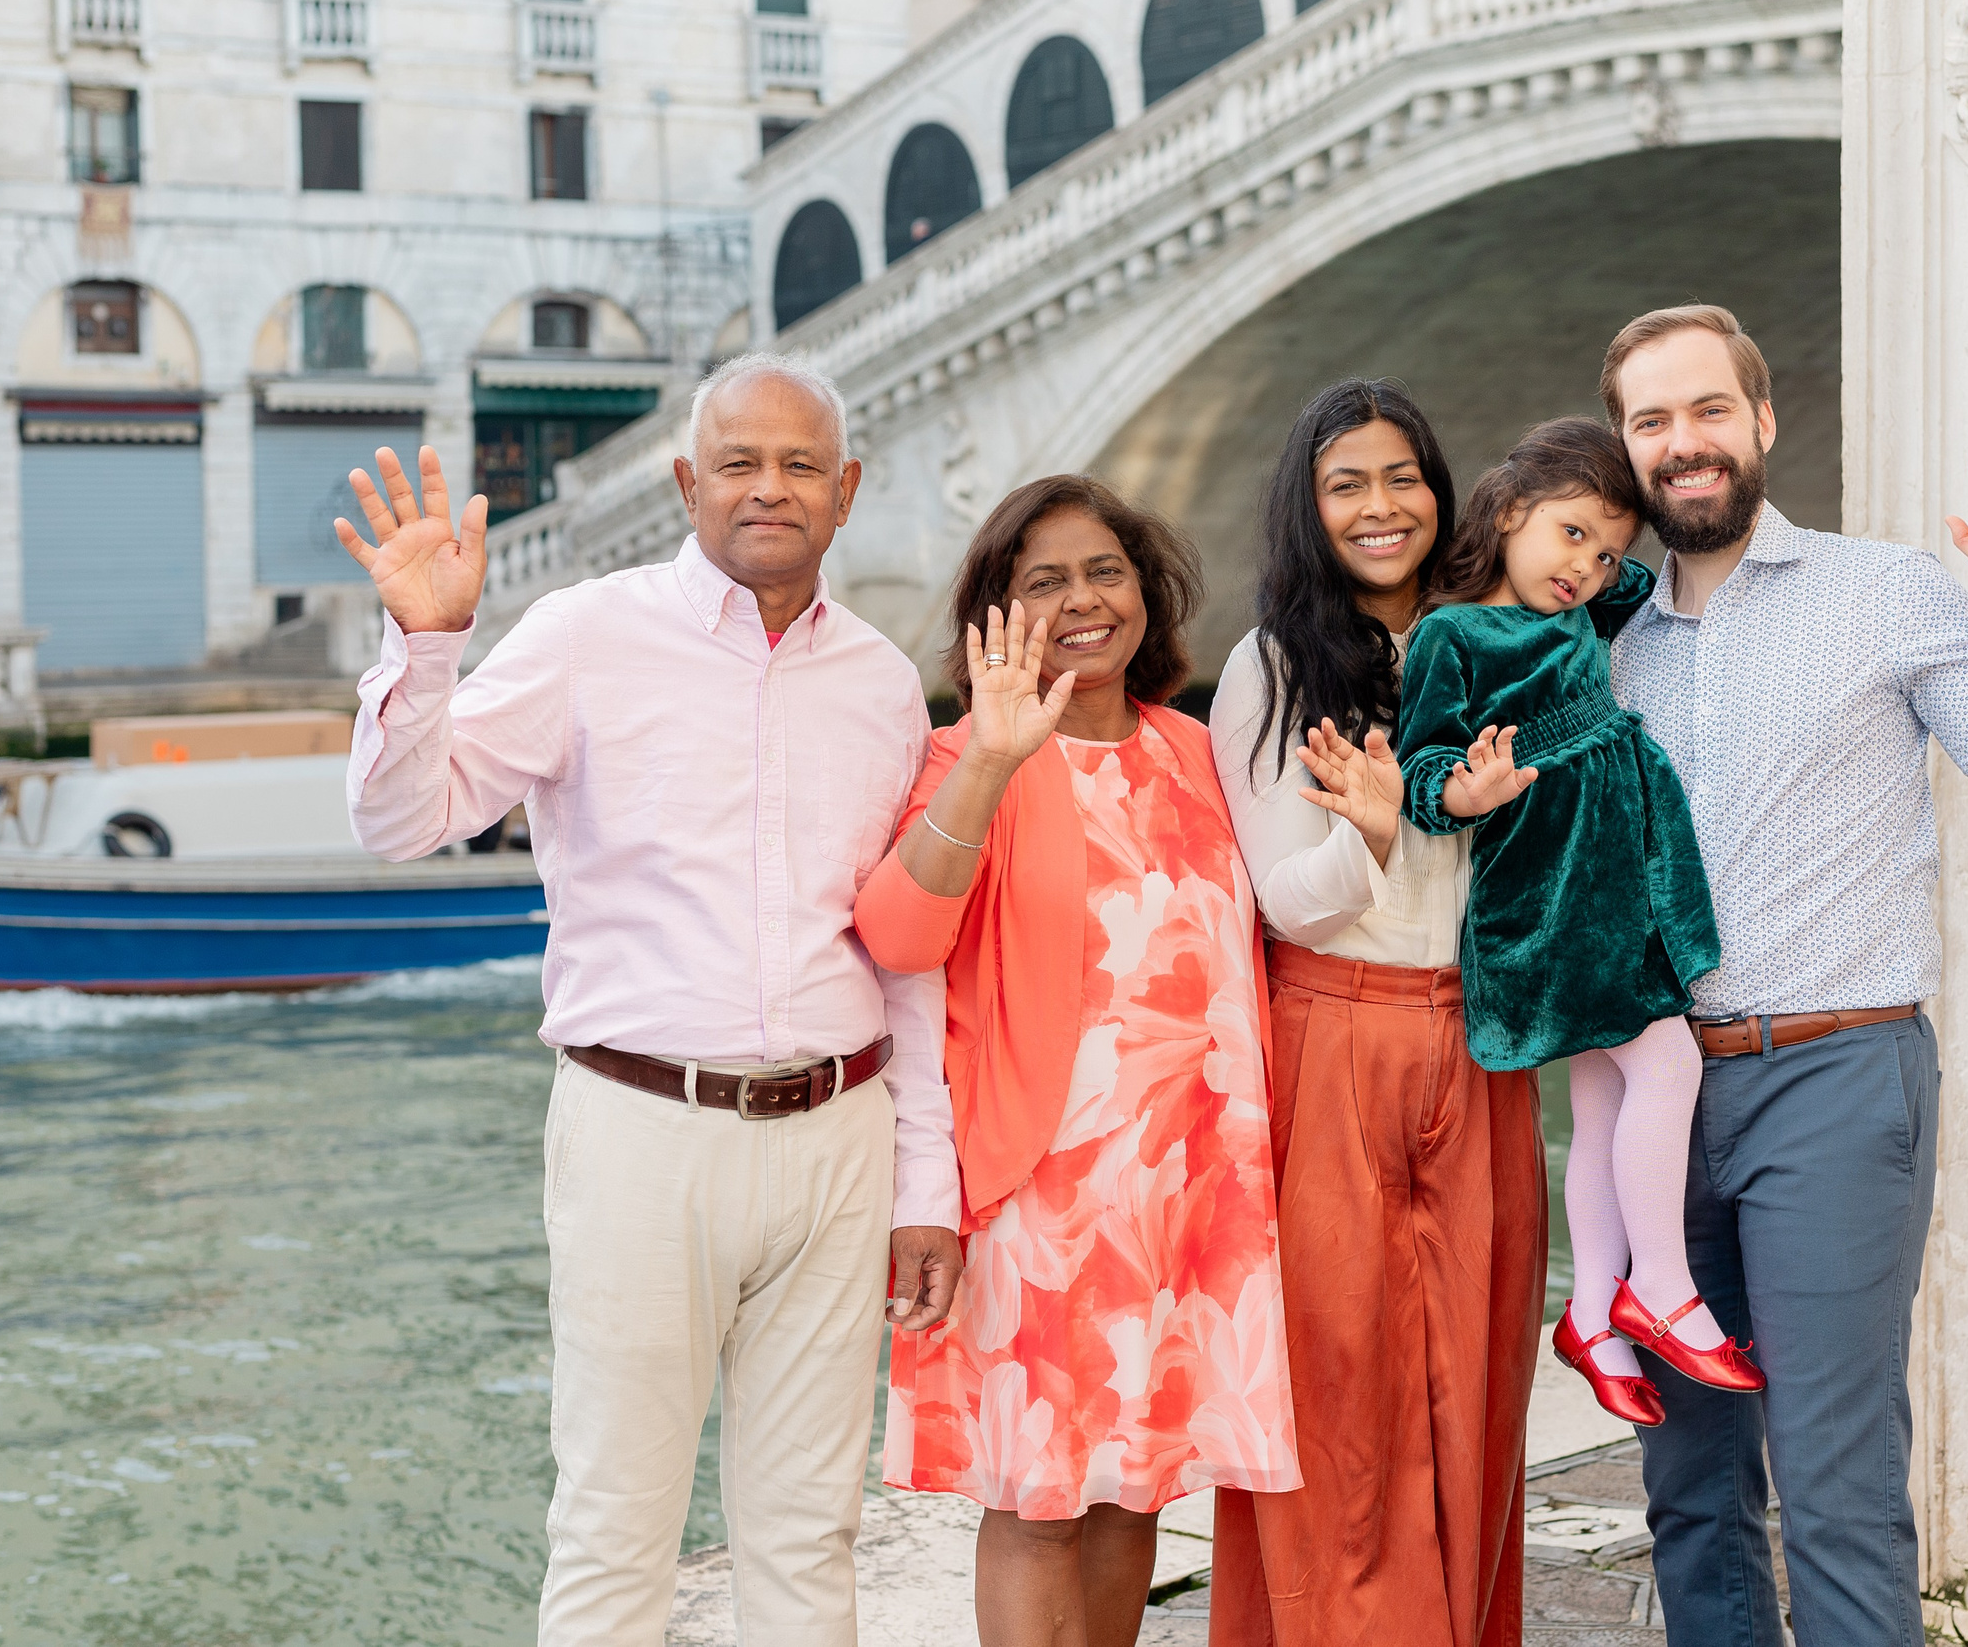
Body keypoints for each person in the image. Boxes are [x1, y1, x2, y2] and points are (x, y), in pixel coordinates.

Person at [334, 354, 964, 1647]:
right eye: (738, 461)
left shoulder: (886, 683)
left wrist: (925, 1182)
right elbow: (404, 819)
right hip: (640, 1132)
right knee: (616, 1524)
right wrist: (426, 641)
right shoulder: (583, 633)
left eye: (800, 464)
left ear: (846, 492)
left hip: (840, 1136)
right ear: (687, 482)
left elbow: (907, 954)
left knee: (809, 1533)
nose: (768, 488)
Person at [1598, 305, 1968, 1646]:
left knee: (1835, 1486)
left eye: (1708, 408)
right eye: (1652, 420)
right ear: (1625, 450)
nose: (1684, 441)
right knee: (1690, 1485)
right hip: (1652, 1101)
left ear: (1762, 423)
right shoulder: (1599, 645)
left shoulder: (1884, 591)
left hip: (1834, 1073)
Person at [852, 475, 1300, 1647]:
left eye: (1103, 570)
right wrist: (994, 761)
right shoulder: (965, 755)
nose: (1082, 599)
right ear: (994, 614)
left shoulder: (1203, 752)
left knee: (1136, 1484)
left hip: (1193, 1195)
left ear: (1146, 590)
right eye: (1041, 581)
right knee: (1041, 1502)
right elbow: (897, 937)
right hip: (1037, 1199)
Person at [1205, 379, 1544, 1647]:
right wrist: (1374, 839)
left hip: (1483, 1039)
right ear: (1307, 506)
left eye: (1401, 475)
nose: (1380, 505)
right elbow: (1284, 903)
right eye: (1346, 482)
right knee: (1338, 1389)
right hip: (1335, 1035)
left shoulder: (1490, 638)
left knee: (1477, 1373)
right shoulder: (1273, 665)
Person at [1391, 416, 1757, 1432]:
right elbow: (1420, 769)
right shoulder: (1453, 635)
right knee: (1670, 1065)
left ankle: (1593, 1314)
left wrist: (1654, 498)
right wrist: (1467, 789)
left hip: (1607, 883)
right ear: (1509, 510)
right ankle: (1666, 1287)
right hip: (1552, 896)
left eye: (1604, 552)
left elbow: (1669, 567)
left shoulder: (1587, 610)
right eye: (1569, 536)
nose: (1589, 568)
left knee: (1599, 1110)